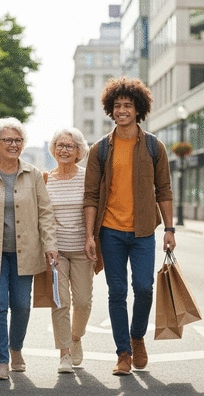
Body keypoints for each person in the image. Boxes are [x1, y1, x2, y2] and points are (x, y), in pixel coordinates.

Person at [83, 77, 176, 376]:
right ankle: (123, 352)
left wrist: (170, 230)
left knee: (144, 287)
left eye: (128, 105)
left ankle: (137, 337)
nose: (122, 110)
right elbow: (91, 196)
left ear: (139, 110)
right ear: (111, 110)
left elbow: (164, 189)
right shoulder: (100, 149)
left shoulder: (153, 146)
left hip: (143, 231)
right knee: (117, 291)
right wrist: (89, 235)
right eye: (118, 105)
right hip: (109, 230)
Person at [0, 117, 58, 380]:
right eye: (8, 140)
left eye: (17, 140)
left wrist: (50, 246)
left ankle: (16, 348)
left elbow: (45, 214)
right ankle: (1, 361)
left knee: (21, 305)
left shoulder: (34, 174)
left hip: (25, 251)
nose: (13, 144)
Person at [45, 128, 97, 373]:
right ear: (54, 149)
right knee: (60, 302)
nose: (64, 150)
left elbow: (94, 209)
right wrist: (48, 245)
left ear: (79, 152)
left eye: (70, 146)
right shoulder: (46, 179)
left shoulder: (87, 177)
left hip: (82, 249)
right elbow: (42, 216)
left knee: (84, 301)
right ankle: (64, 353)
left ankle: (76, 337)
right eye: (60, 145)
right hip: (57, 252)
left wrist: (91, 238)